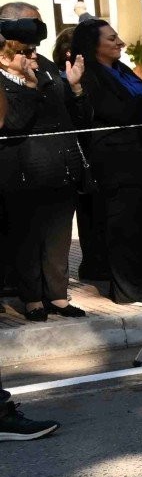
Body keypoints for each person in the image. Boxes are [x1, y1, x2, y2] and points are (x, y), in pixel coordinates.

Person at [68, 16, 142, 305]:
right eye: (111, 39)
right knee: (123, 225)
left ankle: (132, 281)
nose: (120, 42)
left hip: (141, 156)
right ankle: (129, 290)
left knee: (136, 224)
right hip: (115, 162)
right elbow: (121, 112)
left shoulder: (121, 70)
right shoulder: (89, 75)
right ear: (93, 46)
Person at [0, 35, 86, 318]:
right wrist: (31, 88)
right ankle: (32, 298)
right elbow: (14, 123)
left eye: (34, 50)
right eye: (25, 52)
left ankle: (58, 296)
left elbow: (75, 117)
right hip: (24, 173)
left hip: (61, 168)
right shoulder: (5, 85)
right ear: (4, 58)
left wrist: (74, 88)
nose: (34, 57)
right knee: (27, 238)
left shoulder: (47, 78)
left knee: (58, 238)